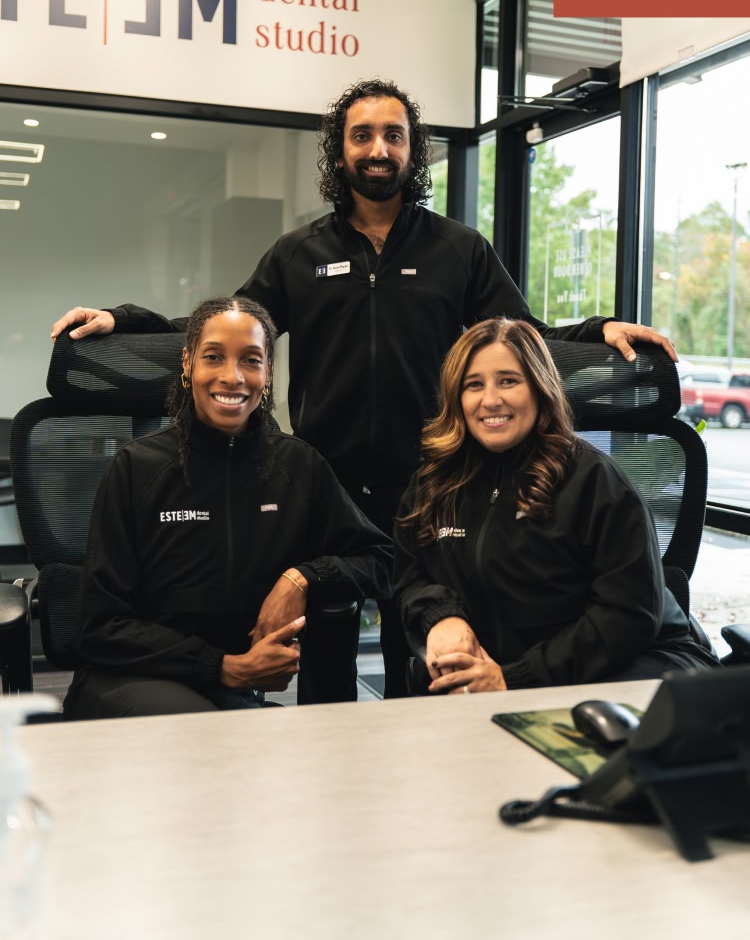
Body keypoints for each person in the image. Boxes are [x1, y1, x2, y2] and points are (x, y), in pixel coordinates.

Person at [51, 78, 678, 699]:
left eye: (394, 136)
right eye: (362, 135)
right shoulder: (297, 252)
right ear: (340, 150)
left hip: (431, 477)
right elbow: (228, 334)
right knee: (325, 635)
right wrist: (126, 322)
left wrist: (600, 329)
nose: (379, 149)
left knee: (425, 631)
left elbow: (524, 337)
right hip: (328, 479)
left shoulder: (458, 249)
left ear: (413, 150)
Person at [62, 296, 391, 720]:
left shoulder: (298, 466)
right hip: (126, 679)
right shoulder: (136, 468)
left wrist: (303, 578)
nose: (232, 377)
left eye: (251, 360)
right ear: (187, 364)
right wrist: (222, 668)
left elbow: (381, 559)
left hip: (226, 692)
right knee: (210, 737)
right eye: (213, 357)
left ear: (268, 373)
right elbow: (99, 628)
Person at [393, 318, 716, 695]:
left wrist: (513, 680)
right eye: (473, 385)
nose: (491, 399)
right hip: (503, 672)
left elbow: (627, 615)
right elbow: (409, 576)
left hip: (631, 663)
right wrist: (440, 617)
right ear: (456, 397)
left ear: (539, 387)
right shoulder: (434, 483)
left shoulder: (592, 478)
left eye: (508, 381)